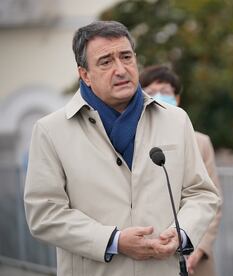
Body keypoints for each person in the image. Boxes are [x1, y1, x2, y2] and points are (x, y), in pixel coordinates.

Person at [23, 21, 220, 276]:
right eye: (105, 61)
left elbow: (201, 194)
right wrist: (113, 241)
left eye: (126, 57)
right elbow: (44, 214)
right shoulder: (50, 131)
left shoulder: (176, 119)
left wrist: (181, 233)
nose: (120, 69)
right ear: (84, 74)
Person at [139, 65, 223, 276]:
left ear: (177, 98)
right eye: (150, 91)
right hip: (151, 251)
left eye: (165, 91)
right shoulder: (135, 141)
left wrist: (199, 248)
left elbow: (211, 199)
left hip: (195, 256)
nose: (158, 96)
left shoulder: (200, 142)